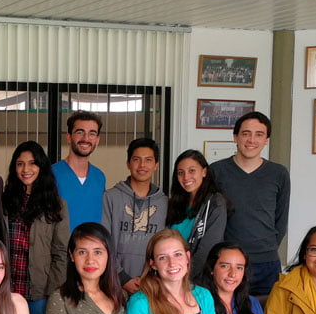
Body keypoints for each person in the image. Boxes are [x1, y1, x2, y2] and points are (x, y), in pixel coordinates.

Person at [3, 141, 69, 314]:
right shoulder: (5, 201)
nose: (25, 169)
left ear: (41, 167)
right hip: (7, 290)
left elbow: (61, 252)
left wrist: (53, 291)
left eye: (32, 163)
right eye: (19, 164)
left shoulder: (56, 205)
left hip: (40, 292)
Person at [211, 112, 290, 295]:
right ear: (235, 137)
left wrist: (266, 247)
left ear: (266, 140)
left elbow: (281, 218)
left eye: (259, 134)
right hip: (227, 262)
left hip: (267, 264)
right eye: (246, 133)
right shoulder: (217, 171)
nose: (251, 140)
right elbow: (210, 219)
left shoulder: (279, 174)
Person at [126, 229, 220, 314]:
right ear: (153, 264)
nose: (172, 263)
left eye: (177, 254)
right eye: (163, 258)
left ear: (188, 257)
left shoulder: (204, 296)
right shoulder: (140, 303)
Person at [46, 222, 129, 314]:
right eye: (82, 252)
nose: (90, 260)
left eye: (98, 252)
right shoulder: (60, 300)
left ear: (108, 255)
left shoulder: (122, 296)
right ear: (72, 256)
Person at [101, 137, 167, 295]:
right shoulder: (110, 197)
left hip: (153, 283)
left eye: (148, 160)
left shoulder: (165, 203)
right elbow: (103, 241)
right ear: (128, 163)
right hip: (114, 282)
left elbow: (165, 246)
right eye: (136, 159)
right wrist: (122, 278)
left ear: (156, 165)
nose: (142, 165)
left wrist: (151, 277)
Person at [166, 150, 229, 276]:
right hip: (172, 274)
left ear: (204, 172)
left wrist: (185, 277)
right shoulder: (175, 203)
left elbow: (208, 249)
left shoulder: (215, 203)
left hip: (196, 279)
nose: (186, 177)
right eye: (180, 173)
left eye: (192, 171)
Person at [196, 242, 271, 314]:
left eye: (239, 268)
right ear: (212, 269)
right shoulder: (198, 304)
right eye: (225, 266)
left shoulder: (252, 302)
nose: (232, 274)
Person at [52, 111, 107, 231]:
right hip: (61, 248)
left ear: (97, 140)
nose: (85, 138)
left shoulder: (99, 177)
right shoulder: (51, 174)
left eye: (92, 133)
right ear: (69, 137)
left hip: (91, 247)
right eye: (80, 132)